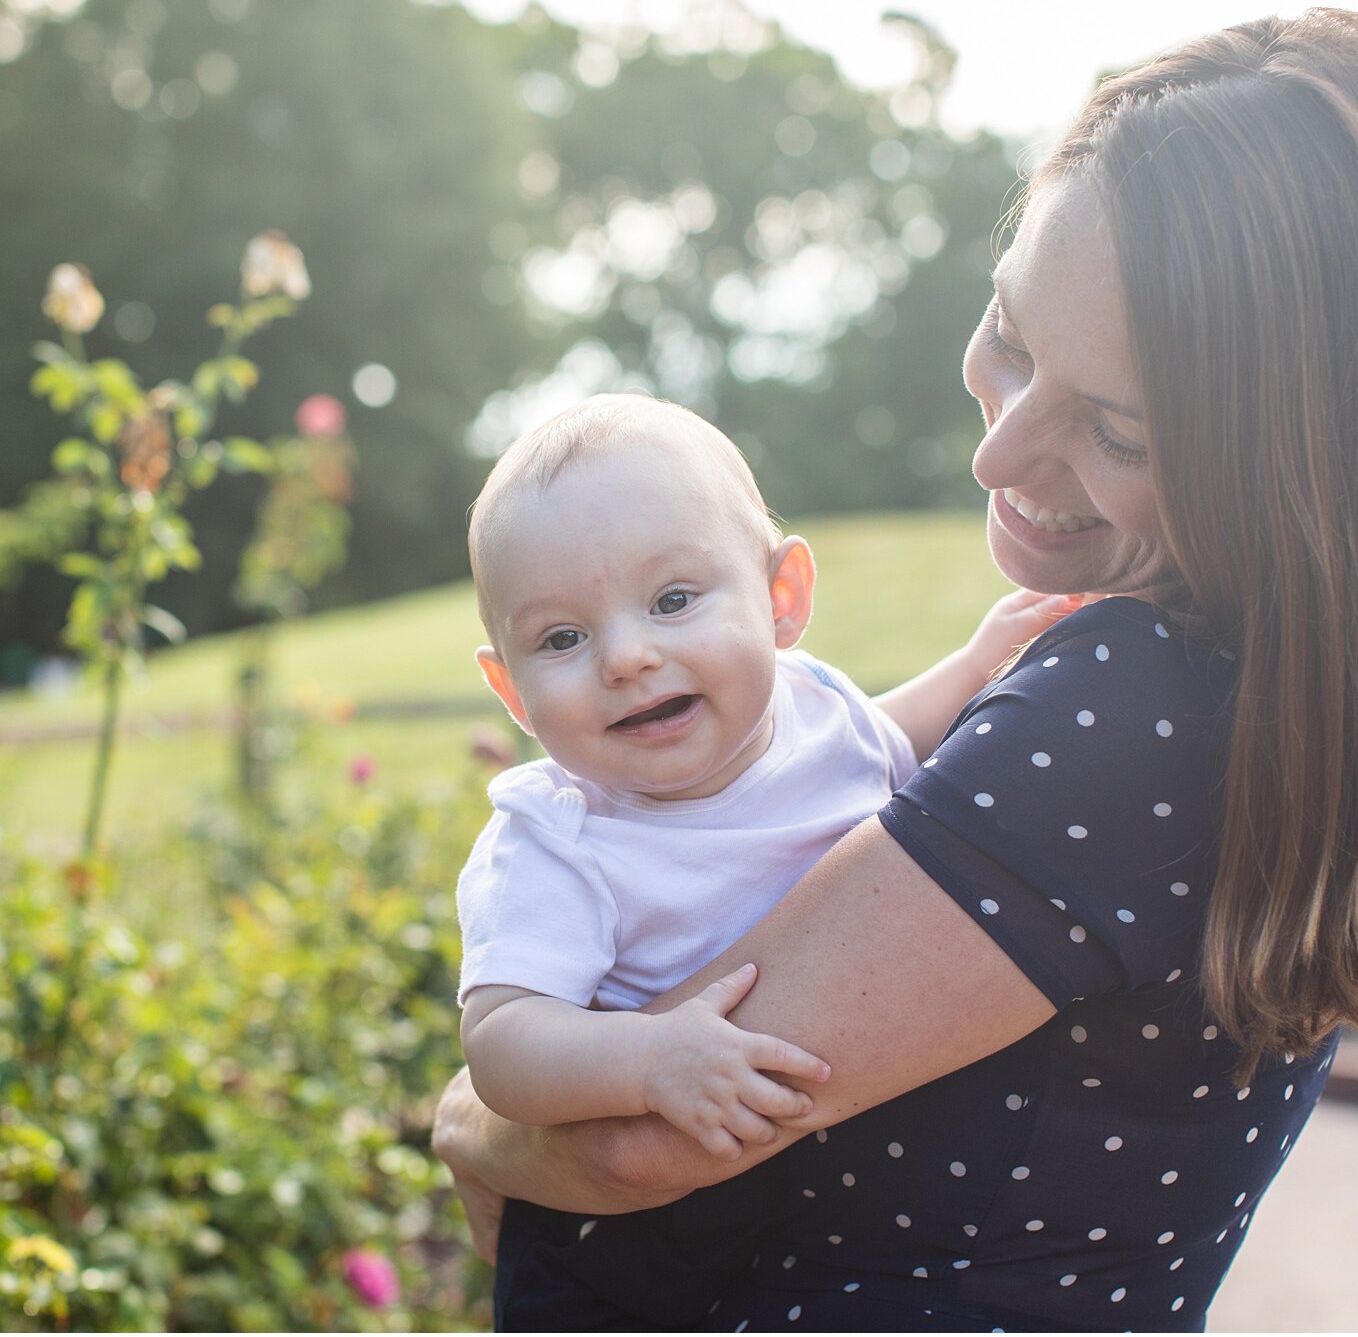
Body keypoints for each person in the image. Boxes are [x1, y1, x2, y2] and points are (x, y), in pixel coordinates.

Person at [434, 7, 1358, 1331]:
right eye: (1013, 335)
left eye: (1120, 428)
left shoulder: (1128, 709)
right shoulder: (1288, 694)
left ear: (1301, 468)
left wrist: (468, 1118)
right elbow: (878, 750)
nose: (1001, 452)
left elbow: (645, 1141)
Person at [458, 394, 1078, 1327]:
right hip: (616, 1259)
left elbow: (884, 743)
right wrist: (647, 1057)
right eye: (561, 638)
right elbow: (501, 1046)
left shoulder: (815, 701)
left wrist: (976, 666)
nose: (626, 656)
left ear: (782, 600)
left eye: (672, 600)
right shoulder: (559, 838)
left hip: (815, 1202)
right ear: (509, 687)